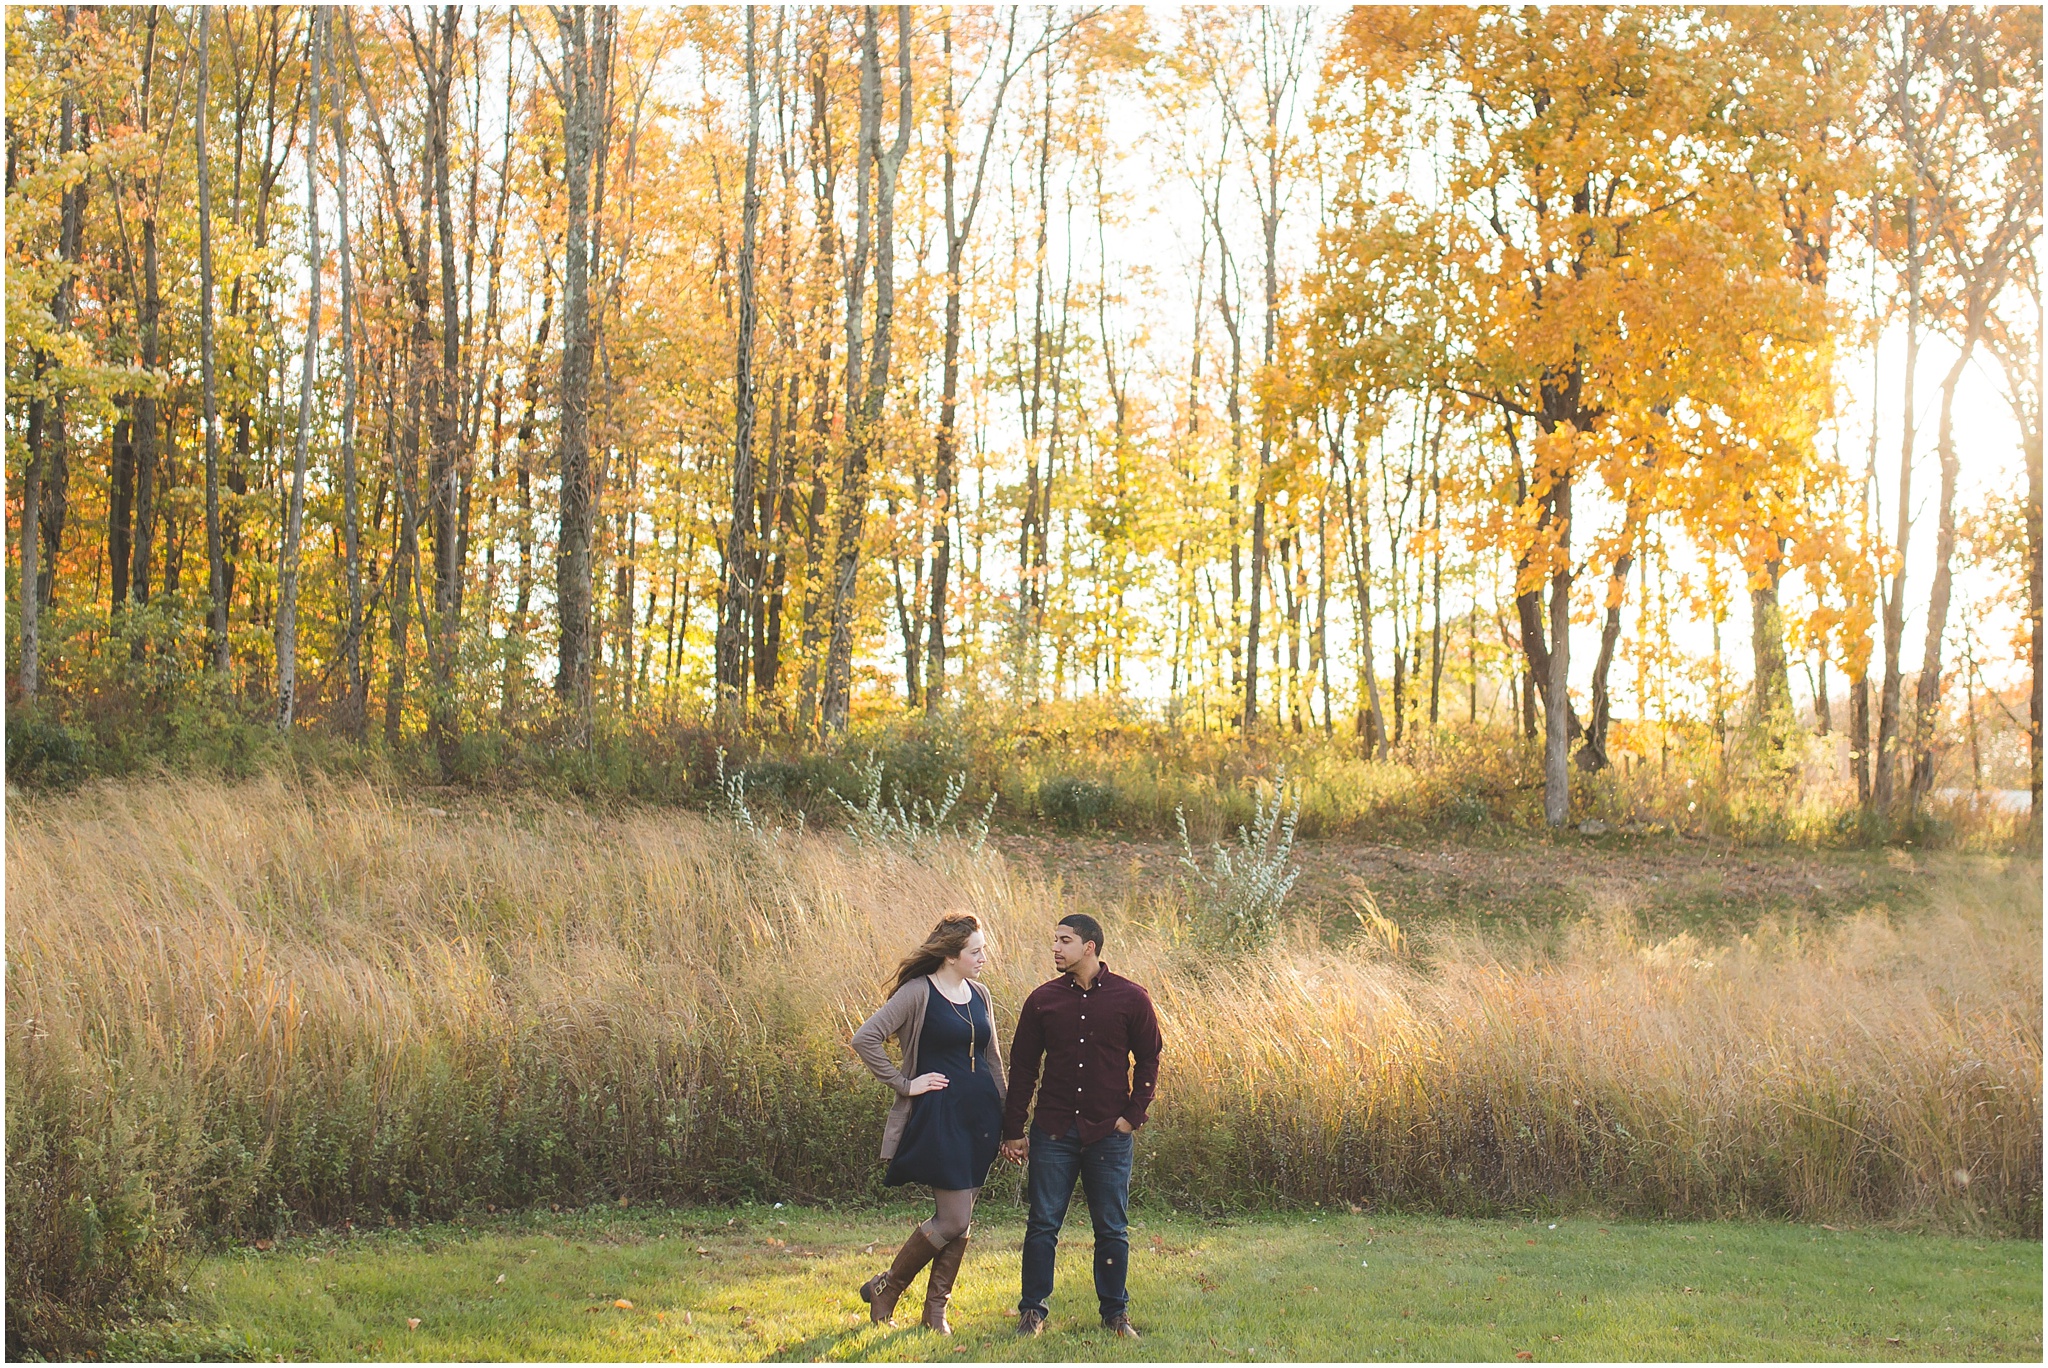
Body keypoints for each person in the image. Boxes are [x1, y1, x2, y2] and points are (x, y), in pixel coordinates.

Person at [999, 913, 1163, 1339]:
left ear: (1089, 946)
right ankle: (1032, 1312)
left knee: (1111, 1228)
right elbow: (1022, 1067)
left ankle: (1115, 1315)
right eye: (1054, 939)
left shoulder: (1131, 998)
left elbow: (1149, 1058)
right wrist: (1014, 1129)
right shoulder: (1042, 1000)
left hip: (1110, 1132)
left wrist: (1133, 1116)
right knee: (1042, 1224)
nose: (1055, 947)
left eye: (1064, 940)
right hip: (1053, 1131)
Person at [848, 912, 1008, 1334]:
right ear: (952, 955)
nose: (983, 958)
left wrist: (1010, 1121)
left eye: (982, 950)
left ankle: (934, 1311)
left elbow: (993, 1060)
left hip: (981, 1118)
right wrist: (905, 1083)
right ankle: (889, 1287)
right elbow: (865, 1038)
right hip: (942, 1119)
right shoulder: (918, 993)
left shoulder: (980, 993)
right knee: (953, 1219)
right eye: (976, 951)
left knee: (962, 1218)